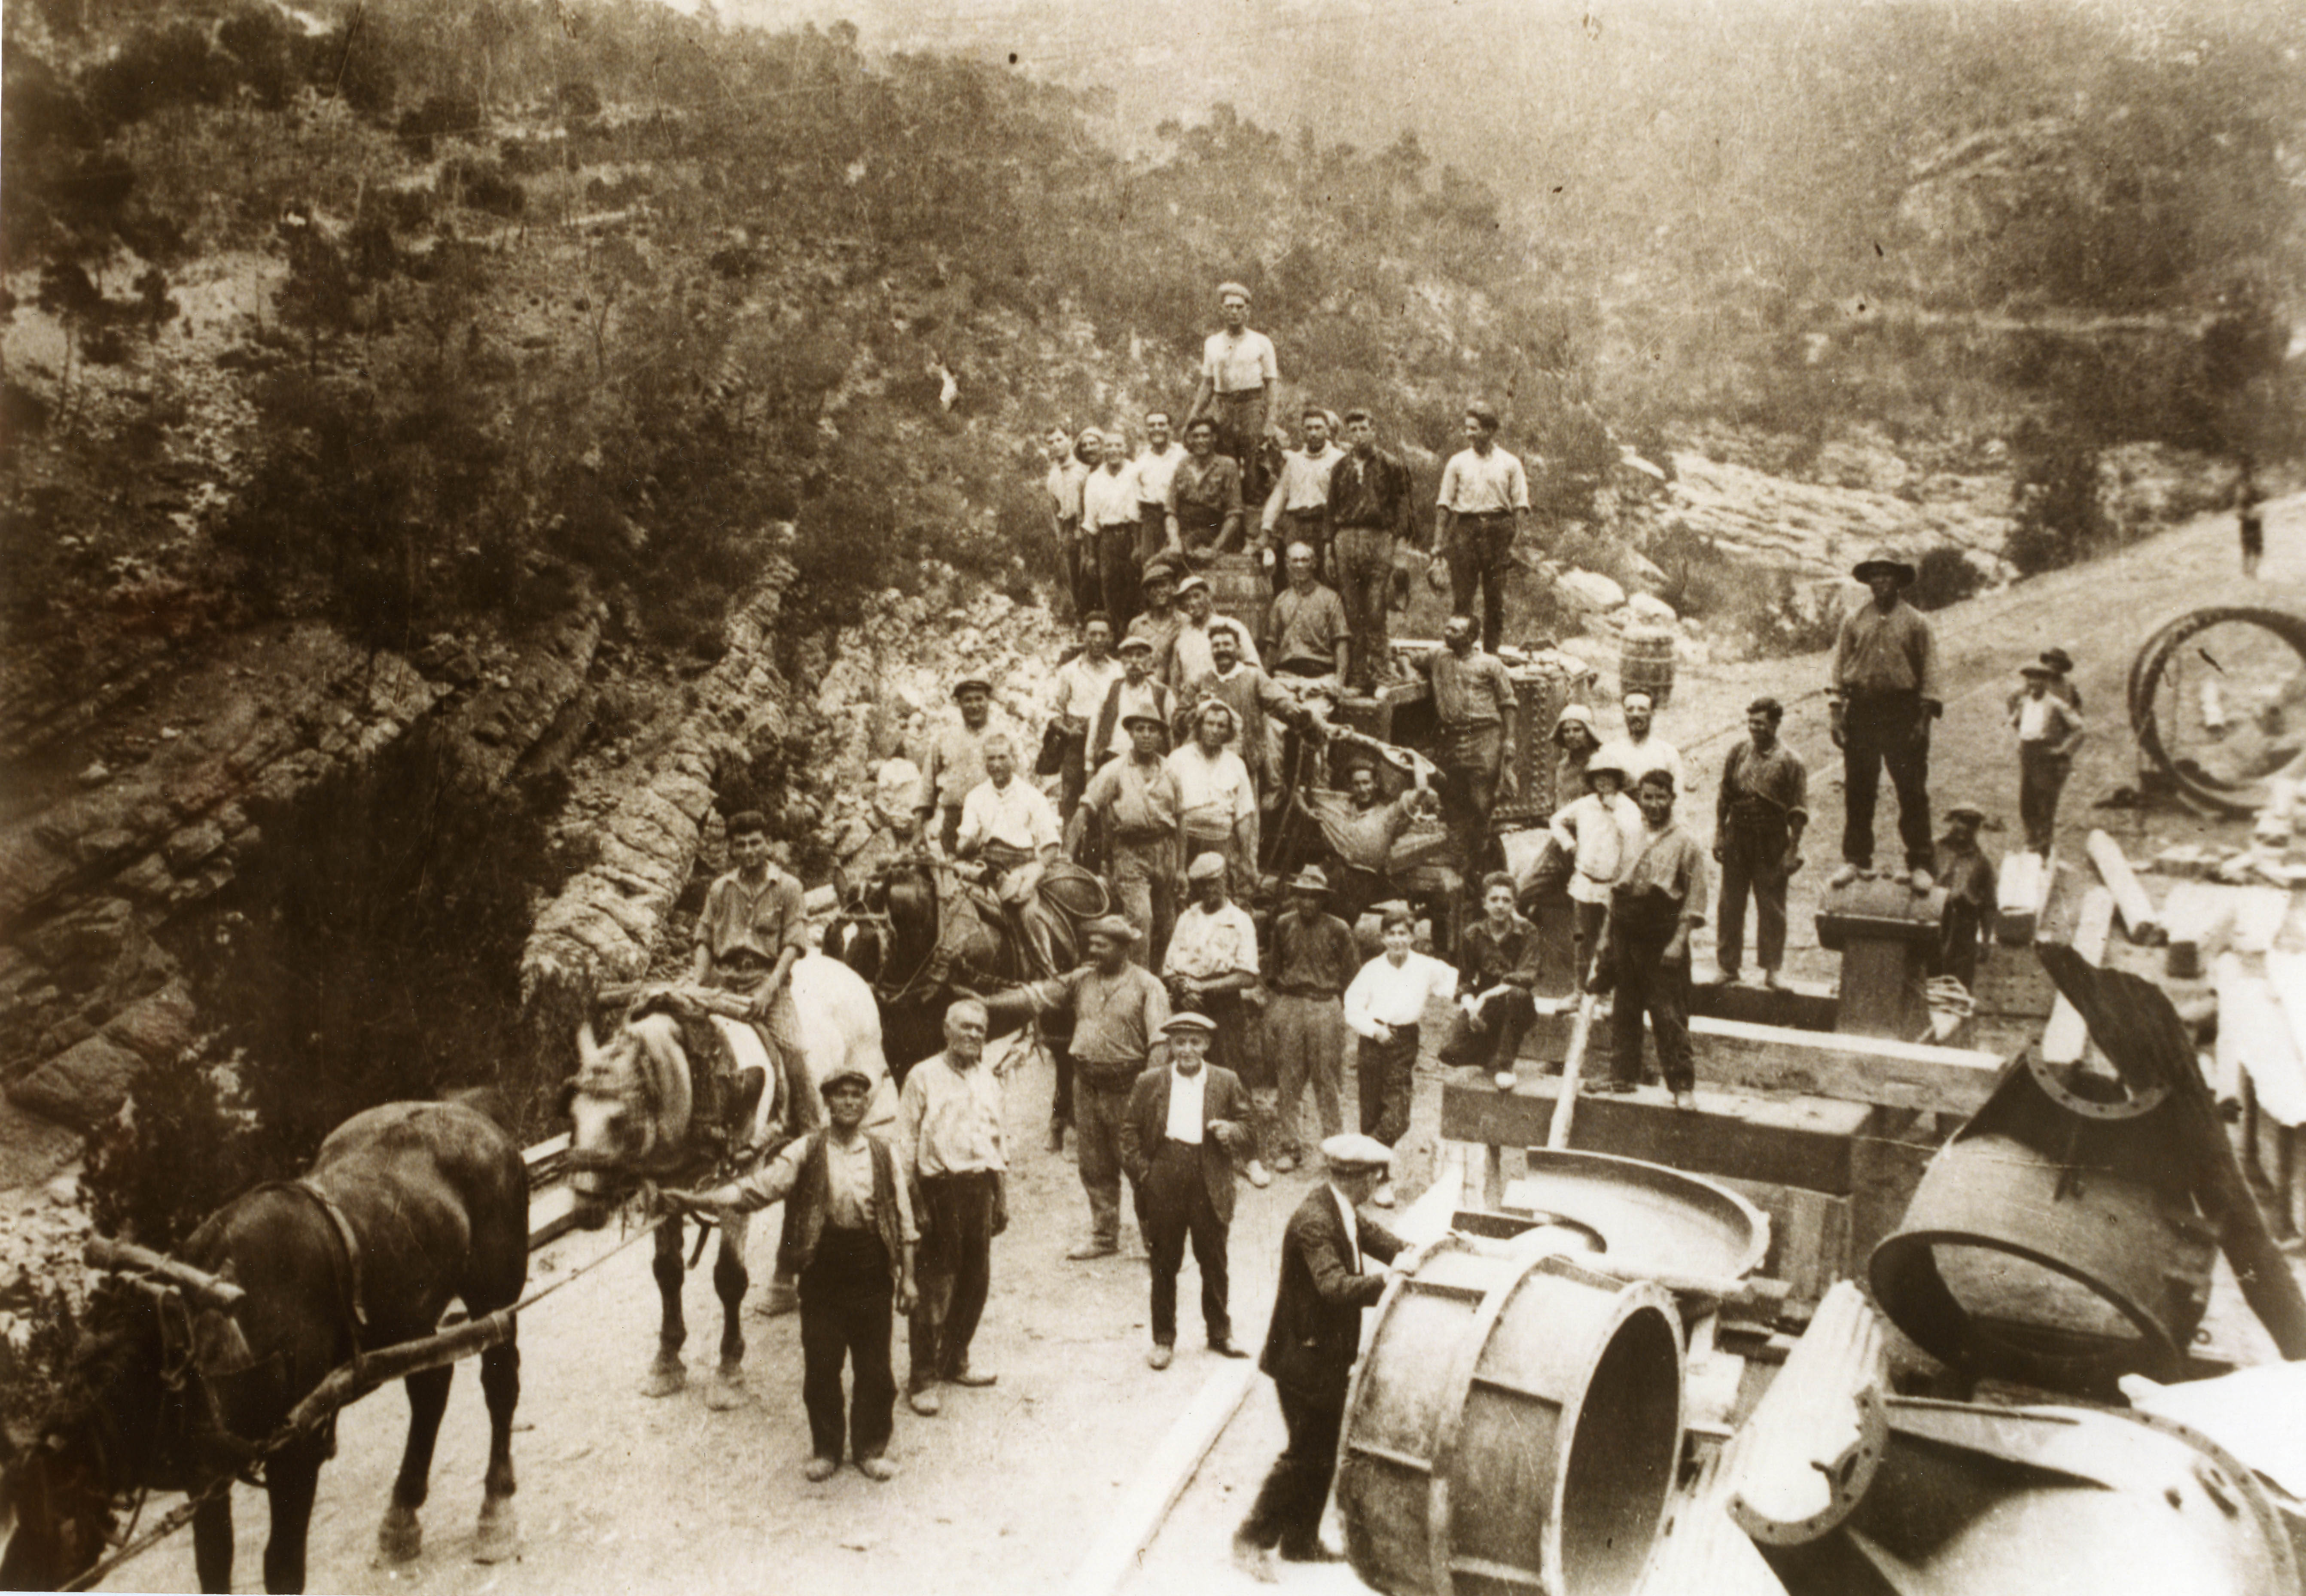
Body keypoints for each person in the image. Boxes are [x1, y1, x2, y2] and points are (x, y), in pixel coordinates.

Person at [660, 1067, 917, 1482]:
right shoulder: (804, 1150)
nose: (850, 1102)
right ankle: (827, 1450)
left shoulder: (884, 1154)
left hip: (871, 1267)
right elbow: (756, 1189)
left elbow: (904, 1219)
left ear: (866, 1104)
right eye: (841, 1095)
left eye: (857, 1095)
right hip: (822, 1268)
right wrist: (696, 1198)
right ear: (827, 1103)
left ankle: (871, 1449)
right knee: (821, 1364)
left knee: (875, 1368)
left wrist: (908, 1279)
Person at [1233, 1133, 1408, 1578]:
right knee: (1304, 1451)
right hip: (1301, 1360)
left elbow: (1385, 1241)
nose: (1377, 1183)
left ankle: (1299, 1540)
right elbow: (1332, 1286)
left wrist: (1421, 1253)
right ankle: (1252, 1537)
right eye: (1375, 1175)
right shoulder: (1314, 1220)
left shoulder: (1342, 1210)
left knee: (1324, 1449)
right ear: (1361, 1178)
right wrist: (1388, 1281)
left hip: (1323, 1358)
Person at [992, 916, 1173, 1262]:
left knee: (1139, 1166)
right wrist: (984, 1004)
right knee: (1094, 1166)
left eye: (1101, 945)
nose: (1092, 951)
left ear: (1124, 948)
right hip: (1086, 1086)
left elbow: (1160, 1045)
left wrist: (1148, 1095)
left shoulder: (1149, 986)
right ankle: (1104, 1236)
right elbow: (1036, 998)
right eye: (1091, 944)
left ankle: (1158, 1239)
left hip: (1128, 1089)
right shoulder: (1081, 979)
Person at [1122, 1010, 1255, 1369]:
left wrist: (1232, 1131)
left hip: (1209, 1174)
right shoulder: (1150, 1081)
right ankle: (1163, 1340)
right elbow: (1128, 1132)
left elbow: (1249, 1126)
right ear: (1169, 1045)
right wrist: (1144, 1175)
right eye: (1179, 1042)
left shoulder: (1225, 1081)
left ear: (1207, 1044)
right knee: (1164, 1262)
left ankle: (1220, 1333)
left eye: (1194, 1042)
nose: (1186, 1050)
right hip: (1164, 1174)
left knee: (1214, 1260)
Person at [896, 999, 1008, 1415]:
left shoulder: (988, 1079)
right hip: (937, 1189)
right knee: (932, 1288)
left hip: (979, 1187)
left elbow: (998, 1139)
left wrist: (1001, 1195)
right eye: (964, 1027)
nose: (973, 1034)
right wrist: (913, 1202)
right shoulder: (922, 1075)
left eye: (980, 1028)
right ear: (946, 1029)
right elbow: (904, 1143)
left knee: (975, 1281)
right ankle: (922, 1376)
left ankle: (954, 1359)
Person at [692, 809, 814, 1138]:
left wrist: (768, 990)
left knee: (794, 1053)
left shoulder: (788, 887)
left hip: (765, 982)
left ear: (768, 844)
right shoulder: (720, 889)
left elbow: (793, 944)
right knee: (689, 1039)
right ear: (731, 849)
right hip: (724, 981)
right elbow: (704, 939)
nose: (748, 851)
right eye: (740, 845)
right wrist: (695, 984)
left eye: (755, 843)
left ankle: (812, 1133)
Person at [1828, 547, 1942, 893]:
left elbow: (1930, 674)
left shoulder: (1916, 623)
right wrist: (1836, 712)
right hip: (1862, 712)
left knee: (1911, 790)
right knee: (1859, 789)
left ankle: (1921, 862)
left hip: (1902, 712)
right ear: (1868, 580)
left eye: (1887, 574)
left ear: (1898, 581)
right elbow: (1838, 669)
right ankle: (1856, 860)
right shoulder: (1854, 620)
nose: (1881, 581)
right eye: (1875, 574)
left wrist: (1923, 720)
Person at [1594, 770, 1710, 1110]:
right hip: (1626, 933)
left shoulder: (1686, 842)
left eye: (1661, 797)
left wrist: (1677, 942)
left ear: (1672, 799)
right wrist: (1605, 938)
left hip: (1662, 937)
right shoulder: (1629, 835)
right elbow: (1614, 892)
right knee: (1624, 1009)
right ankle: (1622, 1077)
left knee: (1668, 1014)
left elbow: (1694, 899)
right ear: (1639, 799)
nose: (1655, 805)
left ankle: (1682, 1085)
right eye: (1648, 797)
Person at [1164, 853, 1275, 1184]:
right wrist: (1182, 986)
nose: (1209, 891)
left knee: (1232, 1077)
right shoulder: (1187, 918)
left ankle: (1250, 1156)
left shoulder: (1239, 920)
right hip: (1188, 1004)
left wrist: (1204, 987)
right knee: (1183, 1072)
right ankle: (1187, 1151)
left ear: (1225, 881)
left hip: (1224, 1008)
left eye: (1215, 883)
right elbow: (1169, 966)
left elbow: (1247, 976)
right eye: (1202, 886)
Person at [1342, 908, 1457, 1206]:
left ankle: (1357, 1160)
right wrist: (1373, 1029)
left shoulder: (1426, 966)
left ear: (1413, 937)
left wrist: (1473, 999)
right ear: (1382, 938)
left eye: (1403, 934)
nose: (1397, 940)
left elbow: (1455, 983)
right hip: (1373, 1040)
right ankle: (1380, 1181)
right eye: (1391, 934)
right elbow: (1352, 1007)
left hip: (1404, 1041)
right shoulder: (1372, 969)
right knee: (1370, 1110)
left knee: (1398, 1116)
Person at [1262, 867, 1359, 1174]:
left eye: (1313, 897)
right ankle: (1290, 1148)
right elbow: (1274, 972)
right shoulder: (1282, 925)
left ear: (1323, 900)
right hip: (1291, 1002)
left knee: (1326, 1081)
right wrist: (1280, 1009)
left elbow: (1352, 976)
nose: (1306, 902)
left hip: (1325, 1005)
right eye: (1301, 895)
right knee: (1288, 1080)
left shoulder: (1339, 929)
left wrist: (1336, 1008)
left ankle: (1335, 1150)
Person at [1069, 713, 1183, 959]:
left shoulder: (1171, 770)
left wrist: (1181, 868)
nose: (1146, 735)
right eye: (1140, 729)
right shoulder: (1114, 770)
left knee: (1168, 923)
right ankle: (1139, 981)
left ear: (1160, 734)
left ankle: (1166, 982)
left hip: (1165, 850)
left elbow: (1181, 819)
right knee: (1141, 918)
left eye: (1152, 729)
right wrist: (1066, 856)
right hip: (1130, 853)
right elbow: (1084, 811)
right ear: (1130, 734)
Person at [1715, 696, 1809, 989]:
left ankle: (1772, 970)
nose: (1755, 729)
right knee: (1730, 904)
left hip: (1771, 841)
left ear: (1776, 723)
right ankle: (1728, 967)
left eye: (1761, 723)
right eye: (1751, 723)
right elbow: (1725, 796)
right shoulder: (1738, 752)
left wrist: (1792, 850)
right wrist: (1719, 833)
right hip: (1737, 837)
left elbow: (1798, 811)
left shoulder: (1791, 761)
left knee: (1771, 907)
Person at [1176, 622, 1327, 803]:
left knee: (1245, 820)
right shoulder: (1201, 680)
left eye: (1227, 644)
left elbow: (1280, 702)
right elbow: (1177, 719)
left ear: (1238, 648)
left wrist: (1299, 715)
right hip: (1206, 764)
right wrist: (1196, 711)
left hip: (1244, 766)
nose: (1221, 650)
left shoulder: (1254, 677)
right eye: (1216, 646)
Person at [953, 733, 1063, 977]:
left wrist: (1036, 871)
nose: (996, 764)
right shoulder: (975, 797)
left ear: (1013, 759)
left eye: (1002, 757)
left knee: (1028, 914)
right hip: (986, 866)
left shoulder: (1032, 796)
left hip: (1021, 868)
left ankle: (1045, 971)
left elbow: (1051, 845)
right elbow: (965, 841)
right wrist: (966, 844)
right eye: (991, 759)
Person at [1418, 614, 1517, 882]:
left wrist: (1508, 742)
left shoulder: (1490, 664)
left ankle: (1481, 861)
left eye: (1455, 630)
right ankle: (1460, 859)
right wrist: (1410, 674)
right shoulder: (1438, 657)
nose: (1446, 632)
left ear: (1471, 637)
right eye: (1446, 626)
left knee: (1481, 802)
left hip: (1484, 737)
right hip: (1451, 738)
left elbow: (1508, 703)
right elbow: (1408, 659)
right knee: (1451, 799)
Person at [1326, 409, 1419, 691]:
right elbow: (1330, 511)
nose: (1358, 435)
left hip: (1378, 539)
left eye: (1363, 428)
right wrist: (1329, 548)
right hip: (1345, 539)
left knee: (1376, 610)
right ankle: (1357, 678)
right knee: (1352, 612)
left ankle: (1381, 675)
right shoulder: (1341, 468)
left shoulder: (1391, 465)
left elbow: (1404, 510)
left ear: (1373, 429)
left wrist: (1400, 549)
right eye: (1352, 430)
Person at [1434, 402, 1529, 652]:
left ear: (1489, 430)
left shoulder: (1511, 463)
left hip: (1499, 532)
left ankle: (1491, 655)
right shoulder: (1457, 462)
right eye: (1467, 428)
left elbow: (1520, 505)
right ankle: (1460, 652)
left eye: (1474, 429)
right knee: (1463, 598)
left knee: (1495, 599)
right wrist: (1438, 544)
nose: (1469, 434)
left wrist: (1516, 545)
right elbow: (1444, 504)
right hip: (1466, 530)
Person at [1440, 872, 1541, 1088]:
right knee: (1449, 1053)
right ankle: (1492, 1046)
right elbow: (1465, 980)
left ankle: (1505, 1065)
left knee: (1517, 995)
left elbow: (1526, 977)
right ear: (1484, 903)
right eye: (1494, 900)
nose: (1500, 906)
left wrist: (1484, 997)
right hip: (1486, 1005)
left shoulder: (1528, 932)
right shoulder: (1473, 934)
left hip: (1516, 1003)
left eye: (1506, 900)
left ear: (1514, 904)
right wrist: (1472, 1009)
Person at [1550, 757, 1639, 993]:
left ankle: (1608, 995)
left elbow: (1634, 840)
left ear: (1617, 780)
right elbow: (1556, 820)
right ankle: (1579, 991)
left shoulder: (1628, 808)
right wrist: (1570, 844)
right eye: (1599, 777)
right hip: (1585, 882)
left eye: (1609, 776)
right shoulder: (1585, 804)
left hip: (1613, 885)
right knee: (1582, 941)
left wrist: (1613, 810)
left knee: (1610, 943)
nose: (1604, 782)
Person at [1187, 282, 1279, 503]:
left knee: (1254, 464)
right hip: (1224, 407)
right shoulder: (1213, 343)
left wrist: (1270, 421)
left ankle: (1253, 523)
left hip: (1252, 405)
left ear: (1247, 311)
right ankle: (1225, 518)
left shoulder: (1261, 342)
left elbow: (1272, 384)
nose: (1235, 312)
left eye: (1239, 307)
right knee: (1224, 461)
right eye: (1230, 307)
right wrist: (1193, 416)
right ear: (1222, 310)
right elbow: (1208, 383)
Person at [1319, 758, 1438, 927]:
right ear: (1351, 787)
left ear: (1375, 783)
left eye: (1366, 783)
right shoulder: (1343, 806)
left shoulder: (1388, 814)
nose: (1362, 789)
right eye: (1357, 784)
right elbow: (1302, 794)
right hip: (1336, 872)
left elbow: (1421, 791)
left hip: (1364, 878)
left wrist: (1416, 759)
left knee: (1339, 924)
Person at [1167, 701, 1260, 890]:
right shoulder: (1178, 758)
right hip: (1184, 842)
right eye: (1210, 724)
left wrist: (1245, 859)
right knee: (1181, 896)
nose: (1215, 730)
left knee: (1217, 897)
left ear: (1228, 733)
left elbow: (1243, 814)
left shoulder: (1236, 764)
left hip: (1220, 842)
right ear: (1200, 726)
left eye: (1221, 726)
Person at [917, 677, 1005, 856]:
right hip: (954, 821)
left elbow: (1022, 787)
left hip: (994, 820)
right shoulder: (944, 738)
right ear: (959, 704)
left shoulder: (1005, 738)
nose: (974, 706)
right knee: (953, 871)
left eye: (979, 699)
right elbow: (927, 789)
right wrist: (918, 830)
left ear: (989, 701)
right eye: (968, 700)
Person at [1260, 408, 1344, 589]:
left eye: (1318, 428)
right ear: (1302, 432)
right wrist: (1266, 527)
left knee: (1327, 576)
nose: (1313, 433)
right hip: (1296, 525)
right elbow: (1279, 496)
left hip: (1325, 524)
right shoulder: (1294, 461)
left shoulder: (1340, 460)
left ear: (1327, 431)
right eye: (1309, 429)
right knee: (1293, 575)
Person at [1050, 614, 1124, 821]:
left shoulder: (1119, 670)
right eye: (1093, 634)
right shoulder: (1069, 671)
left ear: (1111, 638)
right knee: (1072, 796)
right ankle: (1070, 850)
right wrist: (1067, 730)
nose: (1098, 640)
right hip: (1076, 739)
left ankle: (1099, 851)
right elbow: (1056, 710)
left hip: (1107, 741)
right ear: (1083, 636)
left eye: (1103, 635)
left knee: (1107, 797)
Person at [2011, 662, 2086, 854]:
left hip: (2046, 757)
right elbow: (2017, 722)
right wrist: (2024, 741)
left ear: (2046, 682)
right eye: (2030, 678)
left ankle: (2044, 848)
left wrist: (2062, 751)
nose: (2033, 683)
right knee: (2027, 803)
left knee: (2045, 803)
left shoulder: (2056, 704)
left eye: (2038, 679)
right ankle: (2031, 842)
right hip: (2028, 755)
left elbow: (2080, 730)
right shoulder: (2024, 701)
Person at [1084, 428, 1145, 629]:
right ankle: (1116, 641)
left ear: (1126, 448)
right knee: (1110, 590)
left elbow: (1139, 511)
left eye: (1118, 445)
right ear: (1103, 449)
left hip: (1133, 535)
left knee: (1136, 590)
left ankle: (1135, 640)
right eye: (1109, 445)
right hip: (1108, 540)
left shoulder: (1136, 471)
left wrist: (1138, 545)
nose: (1113, 450)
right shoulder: (1094, 479)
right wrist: (1092, 556)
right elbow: (1090, 523)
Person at [1263, 542, 1351, 682]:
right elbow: (1272, 645)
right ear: (1287, 564)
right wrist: (1264, 679)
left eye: (1305, 560)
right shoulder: (1281, 601)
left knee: (1318, 704)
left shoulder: (1331, 598)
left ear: (1314, 564)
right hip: (1286, 676)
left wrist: (1339, 683)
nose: (1300, 566)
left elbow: (1341, 642)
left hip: (1322, 676)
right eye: (1295, 561)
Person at [1166, 418, 1247, 567]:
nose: (1200, 441)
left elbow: (1234, 515)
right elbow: (1171, 512)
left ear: (1214, 438)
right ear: (1190, 439)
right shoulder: (1183, 465)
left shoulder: (1227, 466)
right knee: (1157, 572)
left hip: (1216, 536)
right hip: (1185, 537)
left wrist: (1215, 548)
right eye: (1195, 436)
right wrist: (1175, 542)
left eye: (1205, 436)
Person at [1933, 805, 1998, 990]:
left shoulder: (1982, 861)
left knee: (1959, 984)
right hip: (1934, 919)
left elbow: (1989, 905)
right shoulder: (1933, 850)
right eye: (1962, 821)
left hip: (1965, 926)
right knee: (1929, 977)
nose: (1966, 828)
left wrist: (1986, 940)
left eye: (1972, 823)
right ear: (1952, 821)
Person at [1092, 634, 1177, 767]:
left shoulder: (1162, 693)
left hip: (1151, 761)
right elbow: (1095, 728)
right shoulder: (1109, 689)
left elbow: (1172, 733)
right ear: (1121, 661)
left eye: (1140, 655)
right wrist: (1090, 765)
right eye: (1129, 656)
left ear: (1149, 661)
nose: (1134, 661)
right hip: (1114, 759)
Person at [1168, 573, 1262, 688]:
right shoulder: (1182, 637)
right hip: (1193, 701)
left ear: (1208, 596)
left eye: (1197, 596)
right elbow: (1175, 682)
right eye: (1187, 598)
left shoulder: (1232, 626)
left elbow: (1254, 668)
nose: (1192, 603)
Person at [1594, 690, 1684, 796]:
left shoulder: (1668, 752)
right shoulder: (1609, 751)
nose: (1635, 714)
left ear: (1653, 713)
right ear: (1624, 714)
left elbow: (1678, 797)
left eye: (1642, 709)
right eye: (1630, 709)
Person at [1045, 426, 1093, 621]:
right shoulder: (1052, 477)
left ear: (1069, 440)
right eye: (1051, 442)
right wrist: (1061, 538)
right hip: (1068, 530)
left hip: (1086, 527)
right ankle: (1081, 621)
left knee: (1090, 574)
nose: (1055, 445)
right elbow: (1054, 511)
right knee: (1073, 577)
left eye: (1059, 440)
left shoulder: (1084, 470)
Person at [1132, 411, 1189, 572]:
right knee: (1152, 568)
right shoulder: (1141, 460)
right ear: (1146, 430)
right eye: (1152, 425)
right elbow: (1135, 502)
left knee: (1179, 565)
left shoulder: (1183, 454)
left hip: (1180, 516)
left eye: (1162, 424)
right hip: (1152, 520)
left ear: (1170, 428)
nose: (1157, 429)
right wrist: (1138, 542)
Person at [1128, 557, 1187, 680]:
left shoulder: (1184, 622)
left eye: (1163, 585)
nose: (1159, 591)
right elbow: (1127, 660)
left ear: (1173, 588)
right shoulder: (1137, 625)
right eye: (1153, 587)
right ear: (1147, 593)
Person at [2238, 458, 2266, 580]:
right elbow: (2239, 511)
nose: (2258, 477)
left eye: (2259, 475)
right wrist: (2250, 514)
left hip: (2255, 523)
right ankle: (2248, 573)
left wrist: (2259, 513)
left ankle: (2251, 573)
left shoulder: (2257, 490)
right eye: (2256, 474)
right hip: (2249, 523)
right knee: (2250, 549)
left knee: (2255, 549)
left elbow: (2262, 507)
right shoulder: (2247, 490)